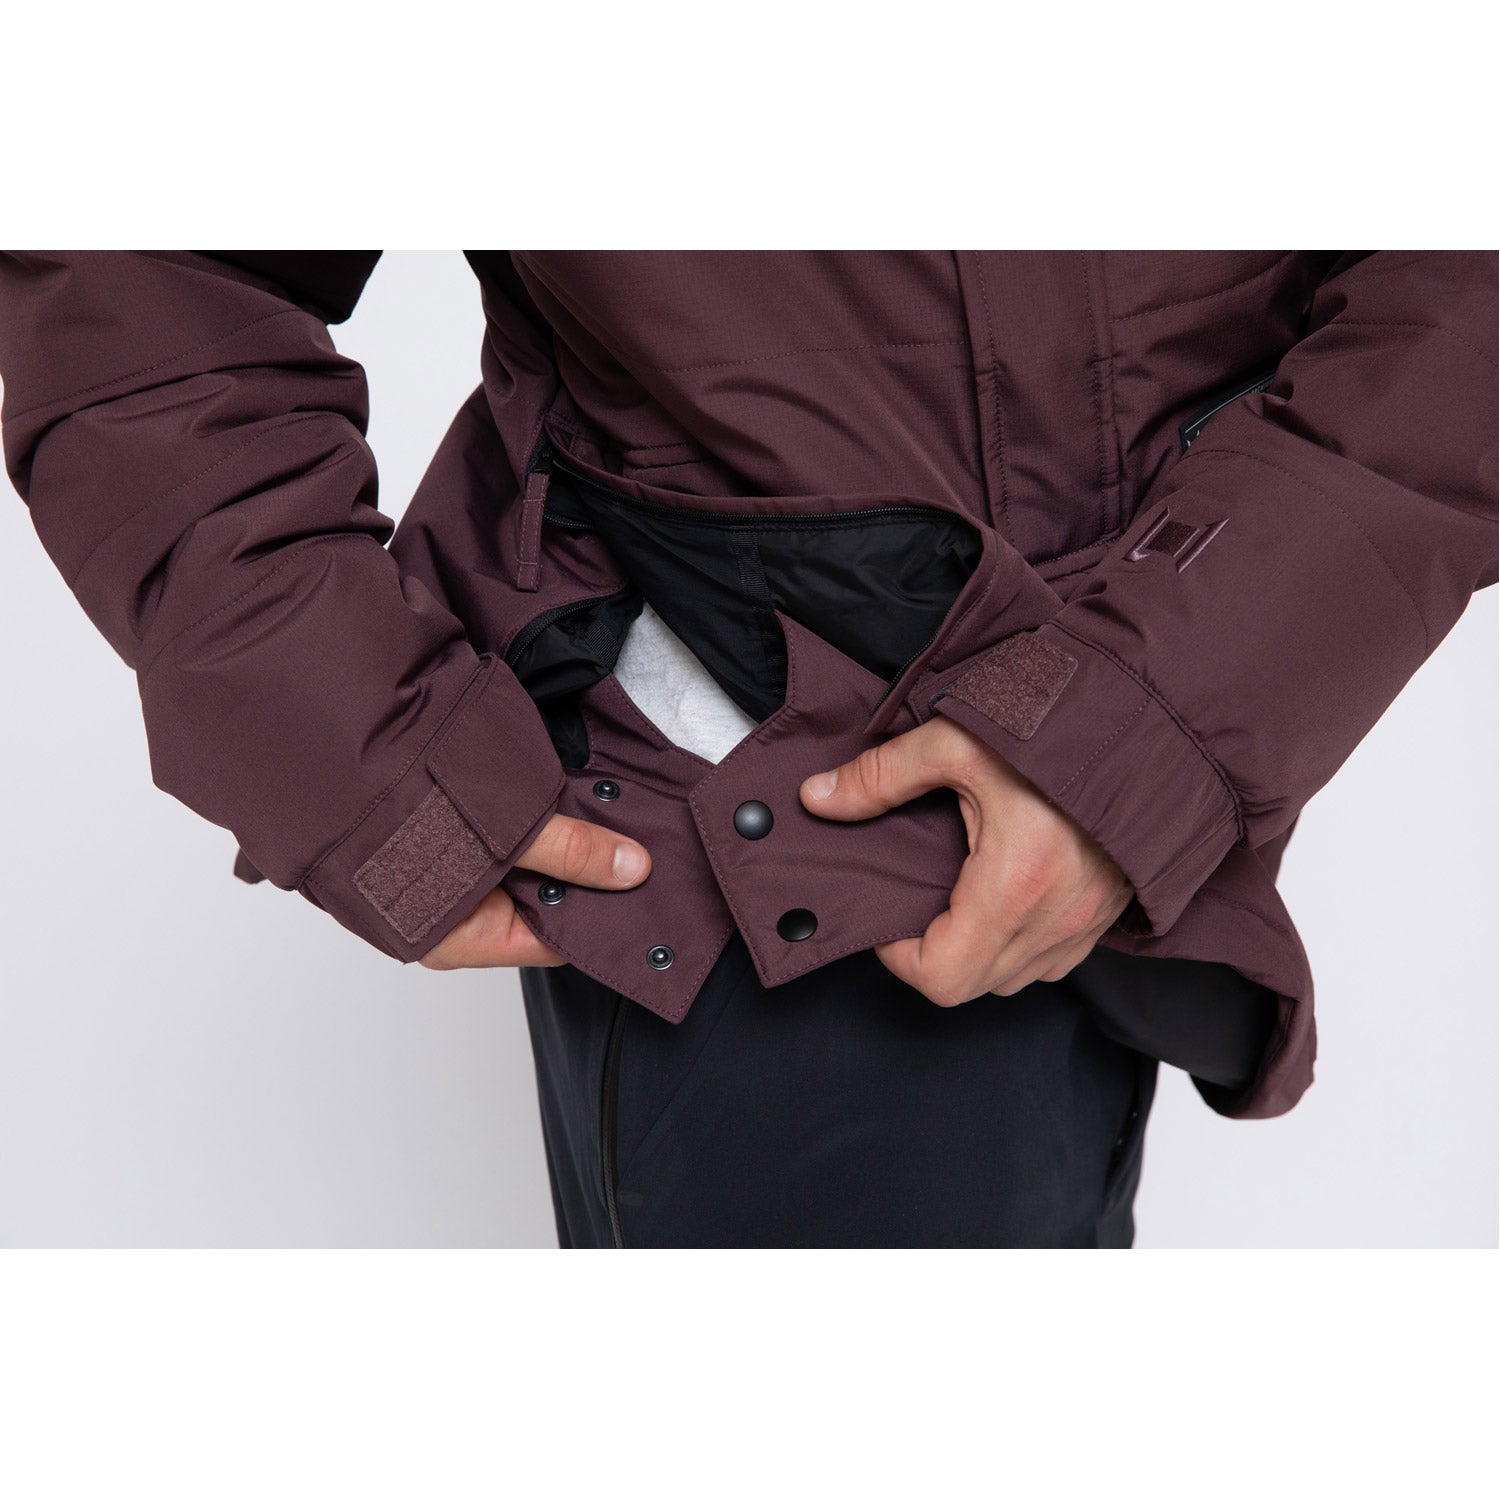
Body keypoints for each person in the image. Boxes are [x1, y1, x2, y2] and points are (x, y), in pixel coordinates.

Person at [0, 251, 1493, 1248]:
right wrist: (372, 767)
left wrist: (1154, 718)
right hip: (724, 832)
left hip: (1139, 757)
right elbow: (143, 271)